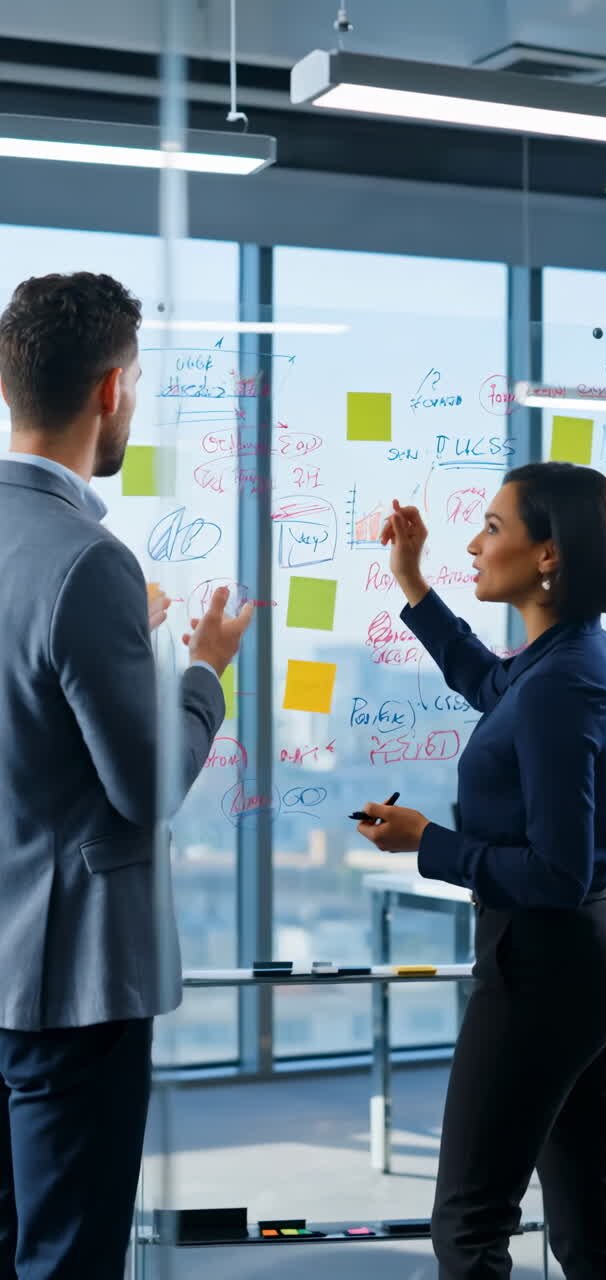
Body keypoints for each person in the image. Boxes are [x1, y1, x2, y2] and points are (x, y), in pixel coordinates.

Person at [0, 272, 252, 1279]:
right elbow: (145, 786)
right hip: (72, 989)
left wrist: (120, 641)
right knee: (67, 1254)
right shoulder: (84, 560)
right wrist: (203, 673)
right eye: (138, 382)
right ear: (112, 390)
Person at [357, 463, 606, 1279]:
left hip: (549, 961)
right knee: (589, 1224)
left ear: (548, 554)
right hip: (596, 953)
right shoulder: (576, 654)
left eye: (492, 527)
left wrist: (432, 844)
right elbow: (489, 681)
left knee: (470, 1225)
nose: (474, 544)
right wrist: (413, 585)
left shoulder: (563, 682)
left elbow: (555, 873)